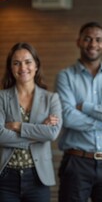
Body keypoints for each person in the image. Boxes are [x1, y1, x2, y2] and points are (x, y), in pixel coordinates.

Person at [55, 22, 102, 202]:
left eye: (98, 40)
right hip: (76, 162)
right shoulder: (65, 76)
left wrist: (86, 107)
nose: (93, 44)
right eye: (88, 39)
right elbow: (67, 116)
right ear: (79, 42)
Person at [0, 42, 62, 201]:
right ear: (10, 67)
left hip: (38, 177)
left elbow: (52, 134)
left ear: (36, 65)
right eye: (16, 63)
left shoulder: (51, 98)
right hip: (6, 177)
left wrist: (17, 126)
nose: (22, 68)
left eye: (28, 62)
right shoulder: (1, 98)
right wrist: (38, 134)